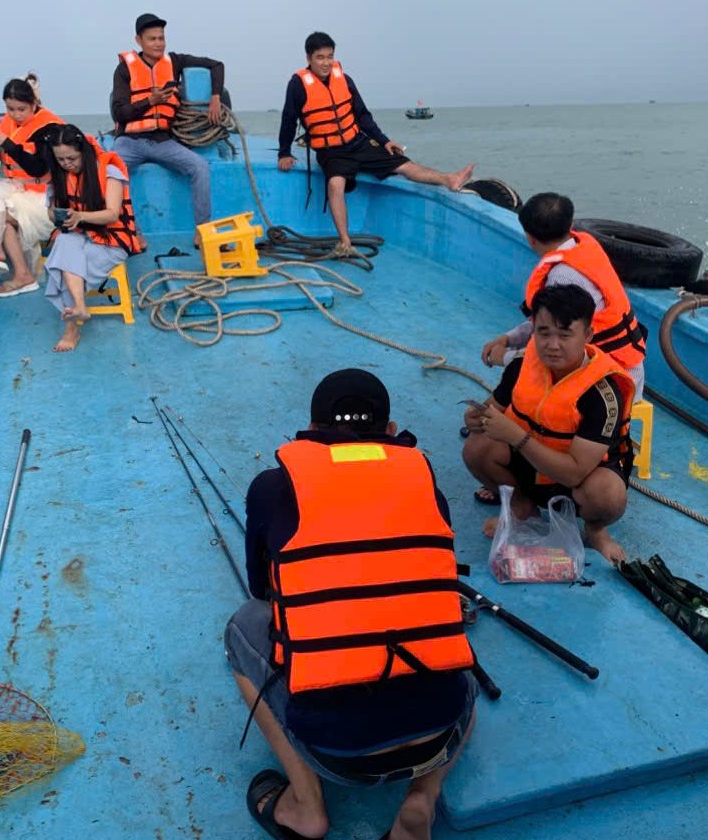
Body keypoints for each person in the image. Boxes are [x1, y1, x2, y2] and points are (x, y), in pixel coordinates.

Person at [225, 369, 478, 840]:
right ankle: (423, 797)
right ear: (392, 432)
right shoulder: (423, 478)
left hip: (337, 750)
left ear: (311, 430)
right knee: (465, 672)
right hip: (436, 729)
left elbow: (262, 592)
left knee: (241, 626)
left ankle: (306, 804)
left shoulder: (272, 486)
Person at [464, 284, 636, 564]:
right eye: (544, 333)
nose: (552, 345)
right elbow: (492, 408)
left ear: (588, 335)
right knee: (477, 447)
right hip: (530, 466)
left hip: (576, 478)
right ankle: (521, 507)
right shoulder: (522, 365)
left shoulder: (603, 395)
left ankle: (595, 530)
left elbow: (574, 474)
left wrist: (516, 437)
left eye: (565, 335)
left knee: (608, 494)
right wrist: (475, 418)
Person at [277, 32, 474, 256]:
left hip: (357, 142)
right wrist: (284, 153)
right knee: (335, 185)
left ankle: (449, 179)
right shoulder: (298, 85)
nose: (326, 63)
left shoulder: (344, 80)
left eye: (330, 56)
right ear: (309, 58)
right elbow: (288, 119)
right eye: (320, 57)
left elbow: (363, 115)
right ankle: (345, 243)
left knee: (403, 164)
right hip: (331, 151)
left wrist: (384, 141)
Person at [480, 191, 647, 400]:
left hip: (609, 384)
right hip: (628, 369)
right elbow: (550, 325)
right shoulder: (584, 247)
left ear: (530, 239)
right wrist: (509, 338)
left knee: (518, 391)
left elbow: (551, 349)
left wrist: (503, 357)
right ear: (570, 226)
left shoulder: (562, 276)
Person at [111, 12, 224, 244]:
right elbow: (119, 113)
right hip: (129, 141)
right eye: (152, 39)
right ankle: (134, 232)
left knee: (200, 167)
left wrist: (215, 97)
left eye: (161, 38)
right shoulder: (124, 70)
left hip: (162, 141)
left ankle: (202, 231)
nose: (158, 44)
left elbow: (216, 65)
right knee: (111, 172)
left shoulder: (175, 62)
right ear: (139, 41)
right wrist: (150, 101)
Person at [42, 126, 142, 352]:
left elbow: (112, 214)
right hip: (79, 236)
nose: (66, 164)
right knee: (64, 243)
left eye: (72, 158)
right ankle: (79, 307)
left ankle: (71, 328)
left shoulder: (109, 172)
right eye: (60, 159)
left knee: (64, 265)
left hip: (111, 240)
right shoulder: (59, 176)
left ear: (84, 152)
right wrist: (57, 215)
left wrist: (80, 216)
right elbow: (50, 211)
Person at [0, 75, 64, 298]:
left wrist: (7, 144)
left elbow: (38, 168)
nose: (16, 115)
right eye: (11, 109)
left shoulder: (50, 128)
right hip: (17, 188)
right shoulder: (5, 123)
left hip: (44, 198)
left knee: (4, 219)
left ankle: (23, 275)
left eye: (22, 109)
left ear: (34, 104)